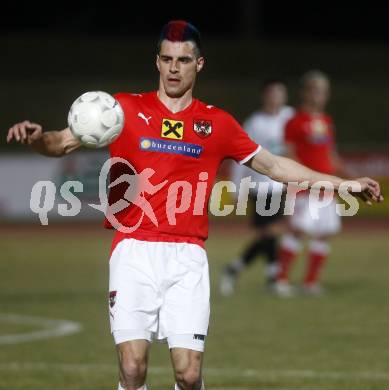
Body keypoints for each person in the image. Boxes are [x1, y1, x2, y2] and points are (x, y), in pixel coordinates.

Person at [6, 22, 383, 390]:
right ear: (157, 61)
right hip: (133, 250)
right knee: (133, 367)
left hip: (187, 255)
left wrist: (343, 184)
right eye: (167, 58)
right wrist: (38, 139)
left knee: (187, 374)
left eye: (183, 60)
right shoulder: (119, 111)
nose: (174, 67)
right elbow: (60, 143)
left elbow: (276, 166)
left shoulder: (217, 123)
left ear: (198, 64)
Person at [274, 70, 350, 297]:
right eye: (315, 90)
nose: (320, 95)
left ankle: (310, 282)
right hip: (306, 187)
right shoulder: (294, 121)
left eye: (323, 91)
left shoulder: (326, 121)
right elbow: (290, 154)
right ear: (304, 93)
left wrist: (349, 178)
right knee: (297, 231)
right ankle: (281, 280)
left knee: (325, 232)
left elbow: (331, 155)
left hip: (327, 187)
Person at [219, 79, 294, 296]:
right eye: (272, 93)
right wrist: (235, 188)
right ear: (265, 96)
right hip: (260, 186)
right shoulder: (255, 123)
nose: (276, 98)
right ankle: (263, 275)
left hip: (283, 183)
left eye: (280, 93)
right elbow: (239, 156)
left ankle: (268, 276)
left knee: (270, 233)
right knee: (271, 231)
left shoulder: (290, 117)